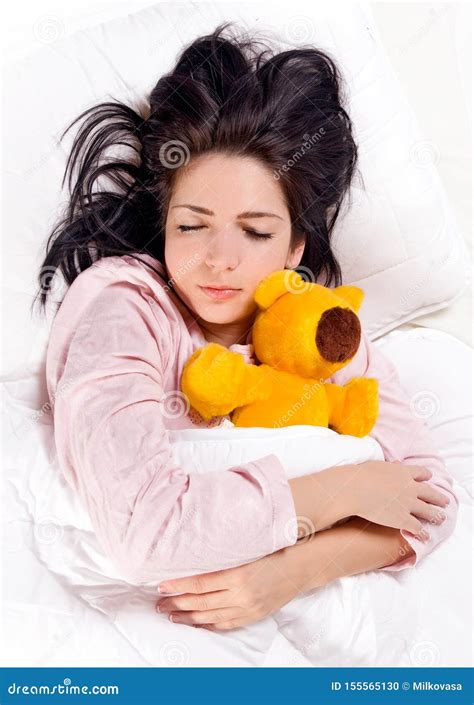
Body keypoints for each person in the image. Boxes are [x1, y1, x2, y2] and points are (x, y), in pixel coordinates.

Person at [33, 23, 457, 631]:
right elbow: (143, 532)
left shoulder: (322, 332)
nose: (219, 259)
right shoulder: (126, 304)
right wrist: (349, 489)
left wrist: (294, 570)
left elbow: (431, 498)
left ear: (294, 250)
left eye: (256, 231)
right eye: (191, 225)